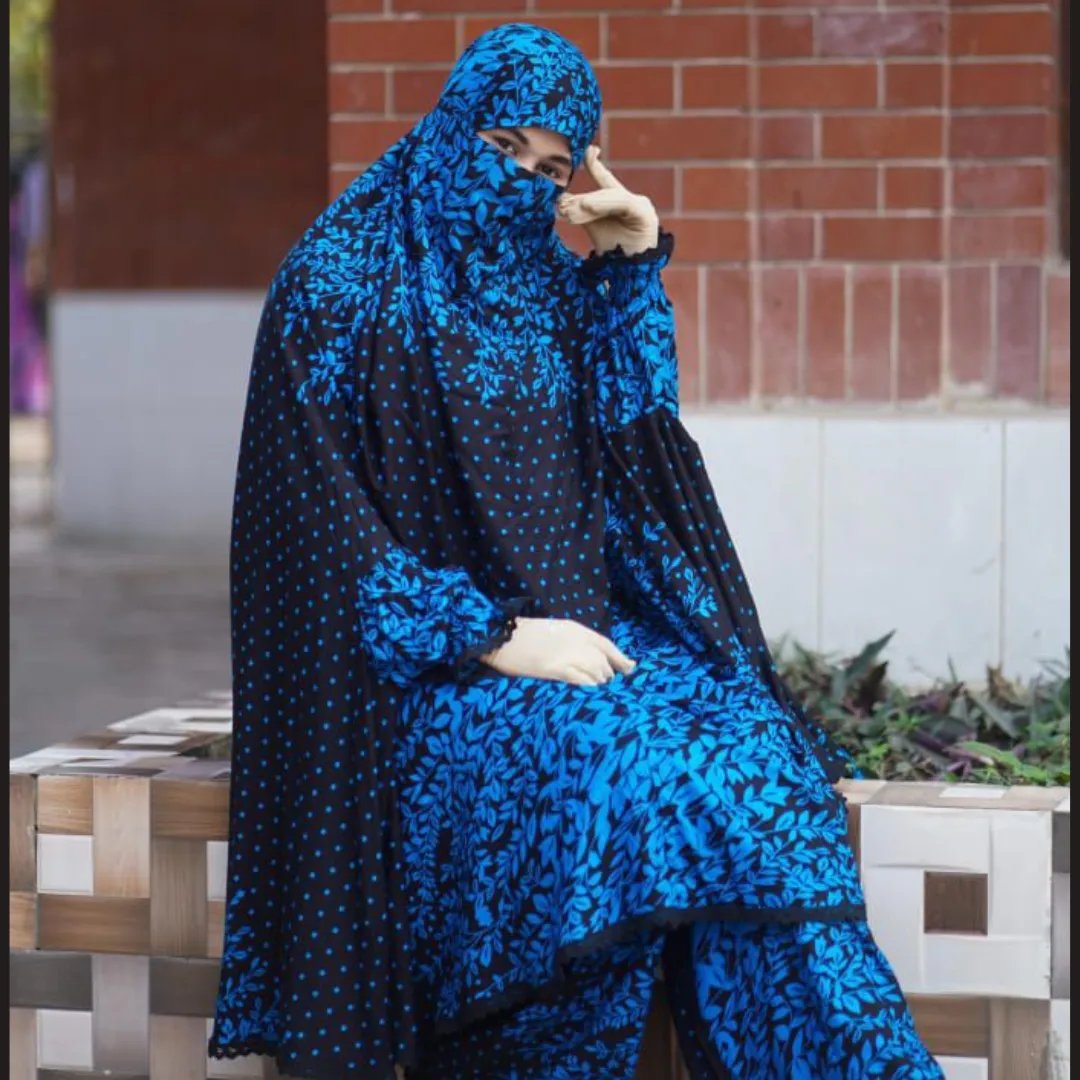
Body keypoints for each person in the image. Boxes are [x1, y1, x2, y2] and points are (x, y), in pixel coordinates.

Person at [208, 23, 943, 1080]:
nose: (522, 183)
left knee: (748, 761)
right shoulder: (336, 284)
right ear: (455, 123)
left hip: (576, 640)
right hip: (412, 680)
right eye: (504, 147)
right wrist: (494, 636)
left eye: (551, 169)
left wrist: (631, 265)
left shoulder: (547, 281)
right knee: (628, 770)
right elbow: (317, 529)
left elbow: (638, 449)